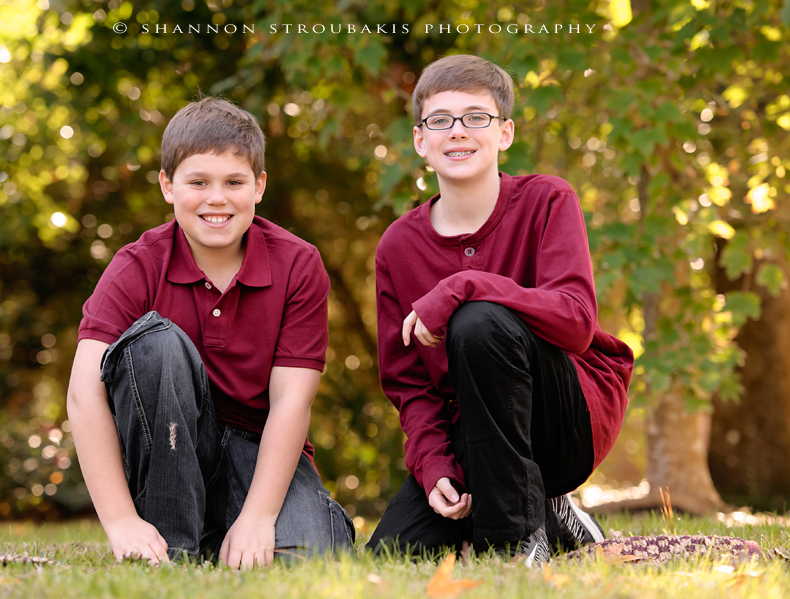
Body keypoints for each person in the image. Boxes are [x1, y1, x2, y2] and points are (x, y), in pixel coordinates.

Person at [365, 55, 634, 564]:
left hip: (566, 415)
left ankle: (515, 543)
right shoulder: (398, 247)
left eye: (476, 117)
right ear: (421, 141)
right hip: (480, 428)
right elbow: (409, 385)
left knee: (478, 321)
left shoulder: (548, 200)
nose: (458, 132)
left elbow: (576, 324)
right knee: (396, 553)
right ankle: (550, 512)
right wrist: (433, 466)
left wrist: (465, 284)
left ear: (504, 133)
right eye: (440, 120)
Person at [67, 97, 354, 569]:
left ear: (259, 186)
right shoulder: (137, 265)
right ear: (167, 185)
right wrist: (120, 521)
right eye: (198, 182)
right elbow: (83, 395)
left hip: (257, 449)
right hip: (170, 447)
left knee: (310, 557)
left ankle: (233, 530)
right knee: (156, 343)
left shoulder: (298, 264)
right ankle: (172, 549)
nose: (216, 198)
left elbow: (291, 401)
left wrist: (260, 516)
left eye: (234, 182)